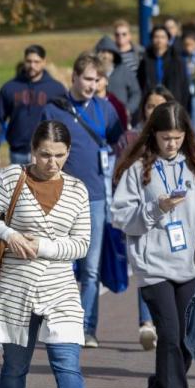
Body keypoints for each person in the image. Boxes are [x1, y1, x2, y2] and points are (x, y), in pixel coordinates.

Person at [0, 121, 111, 388]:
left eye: (60, 156)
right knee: (15, 367)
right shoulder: (11, 178)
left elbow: (81, 244)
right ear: (33, 150)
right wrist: (10, 235)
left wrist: (44, 245)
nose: (52, 162)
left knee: (67, 364)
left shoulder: (78, 190)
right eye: (45, 154)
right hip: (17, 286)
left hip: (60, 287)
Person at [110, 100, 195, 388]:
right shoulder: (137, 170)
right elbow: (121, 217)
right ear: (152, 135)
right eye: (166, 138)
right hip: (154, 265)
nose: (172, 144)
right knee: (169, 336)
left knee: (189, 340)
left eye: (178, 137)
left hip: (190, 264)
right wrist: (157, 207)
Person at [39, 53, 125, 348]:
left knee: (90, 269)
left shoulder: (105, 109)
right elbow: (37, 153)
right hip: (60, 198)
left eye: (96, 80)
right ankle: (58, 322)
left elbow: (119, 143)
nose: (91, 85)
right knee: (58, 266)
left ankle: (86, 329)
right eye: (87, 79)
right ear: (73, 77)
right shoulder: (54, 110)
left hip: (97, 199)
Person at [0, 45, 66, 166]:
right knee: (19, 185)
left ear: (44, 62)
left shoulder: (56, 89)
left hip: (47, 153)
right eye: (29, 61)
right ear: (24, 61)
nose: (32, 65)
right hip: (18, 152)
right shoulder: (10, 88)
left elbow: (65, 120)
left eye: (36, 62)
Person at [95, 20, 142, 121]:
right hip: (97, 116)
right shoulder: (93, 73)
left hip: (120, 117)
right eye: (102, 52)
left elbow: (136, 92)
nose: (104, 55)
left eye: (108, 52)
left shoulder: (124, 70)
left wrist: (128, 109)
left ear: (114, 55)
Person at [137, 25, 191, 107]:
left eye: (163, 37)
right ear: (152, 39)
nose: (159, 40)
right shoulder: (145, 59)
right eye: (156, 37)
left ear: (168, 39)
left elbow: (184, 84)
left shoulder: (177, 60)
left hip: (172, 101)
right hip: (151, 101)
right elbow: (140, 83)